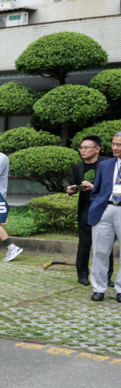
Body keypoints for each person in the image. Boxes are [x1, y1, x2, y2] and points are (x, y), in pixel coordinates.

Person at [68, 135, 114, 286]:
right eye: (81, 148)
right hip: (86, 208)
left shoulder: (108, 164)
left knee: (105, 244)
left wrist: (94, 187)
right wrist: (72, 189)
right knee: (84, 243)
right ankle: (82, 275)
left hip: (105, 207)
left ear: (97, 149)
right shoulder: (78, 167)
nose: (83, 150)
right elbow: (76, 183)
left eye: (86, 147)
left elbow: (113, 187)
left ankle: (106, 277)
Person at [87, 130, 121, 303]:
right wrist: (96, 203)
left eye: (119, 145)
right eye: (113, 144)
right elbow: (97, 189)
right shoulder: (106, 165)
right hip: (105, 209)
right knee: (100, 251)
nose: (115, 147)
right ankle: (99, 289)